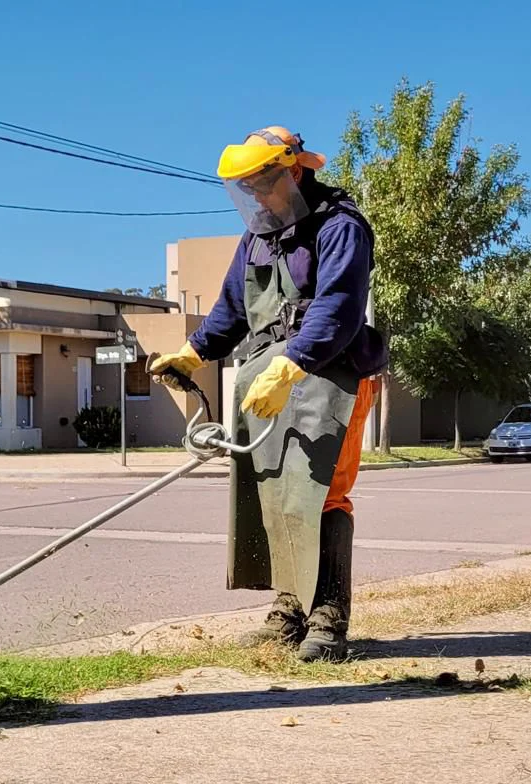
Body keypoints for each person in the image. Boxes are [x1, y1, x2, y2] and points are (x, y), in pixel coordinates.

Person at [149, 126, 387, 662]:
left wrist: (290, 367)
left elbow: (340, 307)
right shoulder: (259, 235)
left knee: (320, 493)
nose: (255, 196)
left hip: (334, 374)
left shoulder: (340, 226)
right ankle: (290, 610)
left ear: (294, 171)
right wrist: (193, 352)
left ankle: (328, 619)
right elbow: (233, 309)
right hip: (270, 375)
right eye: (247, 188)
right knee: (278, 493)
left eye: (262, 183)